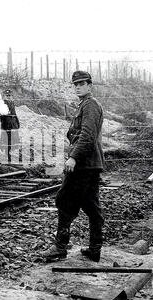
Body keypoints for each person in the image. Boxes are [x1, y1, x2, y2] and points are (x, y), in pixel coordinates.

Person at [41, 71, 105, 262]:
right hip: (91, 163)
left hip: (84, 164)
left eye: (82, 83)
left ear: (90, 85)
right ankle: (95, 248)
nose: (78, 86)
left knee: (65, 200)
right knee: (91, 206)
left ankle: (60, 247)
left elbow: (87, 135)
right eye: (75, 84)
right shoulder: (84, 105)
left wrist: (74, 158)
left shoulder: (90, 105)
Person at [0, 89, 20, 163]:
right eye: (7, 96)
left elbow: (14, 113)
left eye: (9, 95)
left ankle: (8, 154)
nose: (8, 97)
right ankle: (6, 155)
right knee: (6, 139)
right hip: (6, 124)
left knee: (12, 140)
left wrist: (17, 122)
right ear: (4, 96)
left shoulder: (12, 103)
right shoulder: (2, 103)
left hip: (13, 124)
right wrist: (4, 118)